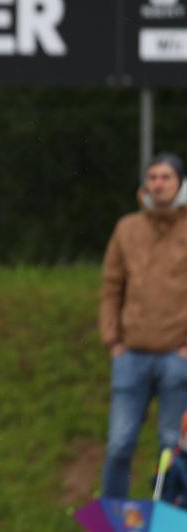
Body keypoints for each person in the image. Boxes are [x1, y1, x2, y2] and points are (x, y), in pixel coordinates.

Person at [99, 152, 187, 498]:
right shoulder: (127, 228)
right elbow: (111, 286)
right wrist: (112, 341)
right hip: (131, 356)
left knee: (172, 446)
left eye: (166, 176)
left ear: (179, 183)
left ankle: (170, 526)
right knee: (119, 444)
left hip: (176, 358)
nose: (159, 183)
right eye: (152, 177)